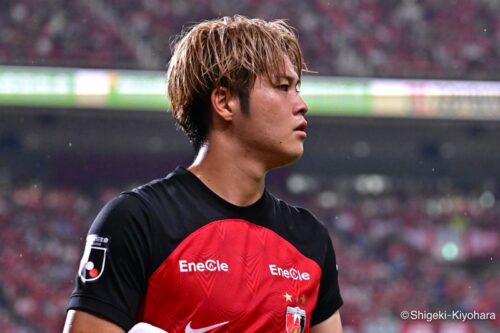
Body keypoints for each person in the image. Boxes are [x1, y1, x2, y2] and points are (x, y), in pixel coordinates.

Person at [63, 15, 343, 333]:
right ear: (224, 101)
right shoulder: (138, 220)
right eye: (283, 87)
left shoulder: (310, 240)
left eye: (297, 88)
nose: (301, 104)